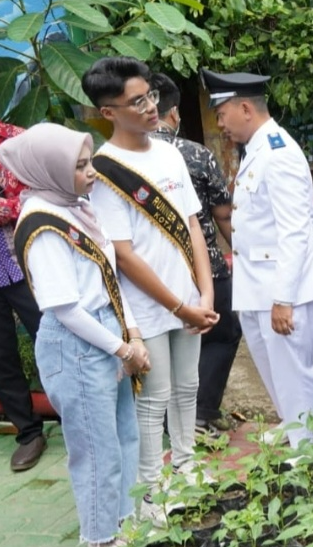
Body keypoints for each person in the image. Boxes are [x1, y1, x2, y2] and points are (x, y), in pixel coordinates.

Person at [1, 123, 150, 547]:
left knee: (125, 439)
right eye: (80, 166)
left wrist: (132, 334)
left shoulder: (76, 207)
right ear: (49, 170)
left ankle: (126, 531)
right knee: (97, 454)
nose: (91, 173)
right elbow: (64, 307)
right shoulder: (43, 223)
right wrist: (122, 348)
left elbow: (109, 279)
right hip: (79, 344)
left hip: (106, 333)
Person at [82, 57, 217, 523]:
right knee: (154, 395)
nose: (149, 107)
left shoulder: (170, 152)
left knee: (188, 387)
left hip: (190, 300)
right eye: (136, 101)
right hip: (146, 306)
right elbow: (124, 254)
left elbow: (192, 224)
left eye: (150, 96)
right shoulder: (104, 169)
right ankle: (152, 489)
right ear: (108, 111)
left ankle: (187, 466)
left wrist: (206, 294)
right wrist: (180, 303)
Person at [201, 68, 313, 447]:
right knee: (274, 369)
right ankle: (294, 427)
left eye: (222, 114)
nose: (219, 124)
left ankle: (305, 448)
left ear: (245, 108)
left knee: (293, 371)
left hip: (285, 287)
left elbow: (295, 229)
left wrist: (283, 298)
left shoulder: (278, 153)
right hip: (260, 286)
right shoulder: (258, 149)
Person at [149, 72, 239, 439]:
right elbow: (223, 214)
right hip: (204, 271)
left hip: (148, 273)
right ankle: (198, 415)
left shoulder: (115, 160)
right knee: (222, 334)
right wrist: (244, 255)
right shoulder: (194, 154)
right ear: (173, 114)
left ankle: (169, 420)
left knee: (164, 341)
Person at [0, 123, 47, 472]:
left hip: (24, 260)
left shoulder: (18, 141)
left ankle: (84, 417)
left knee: (52, 337)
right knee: (1, 357)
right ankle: (29, 432)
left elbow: (42, 193)